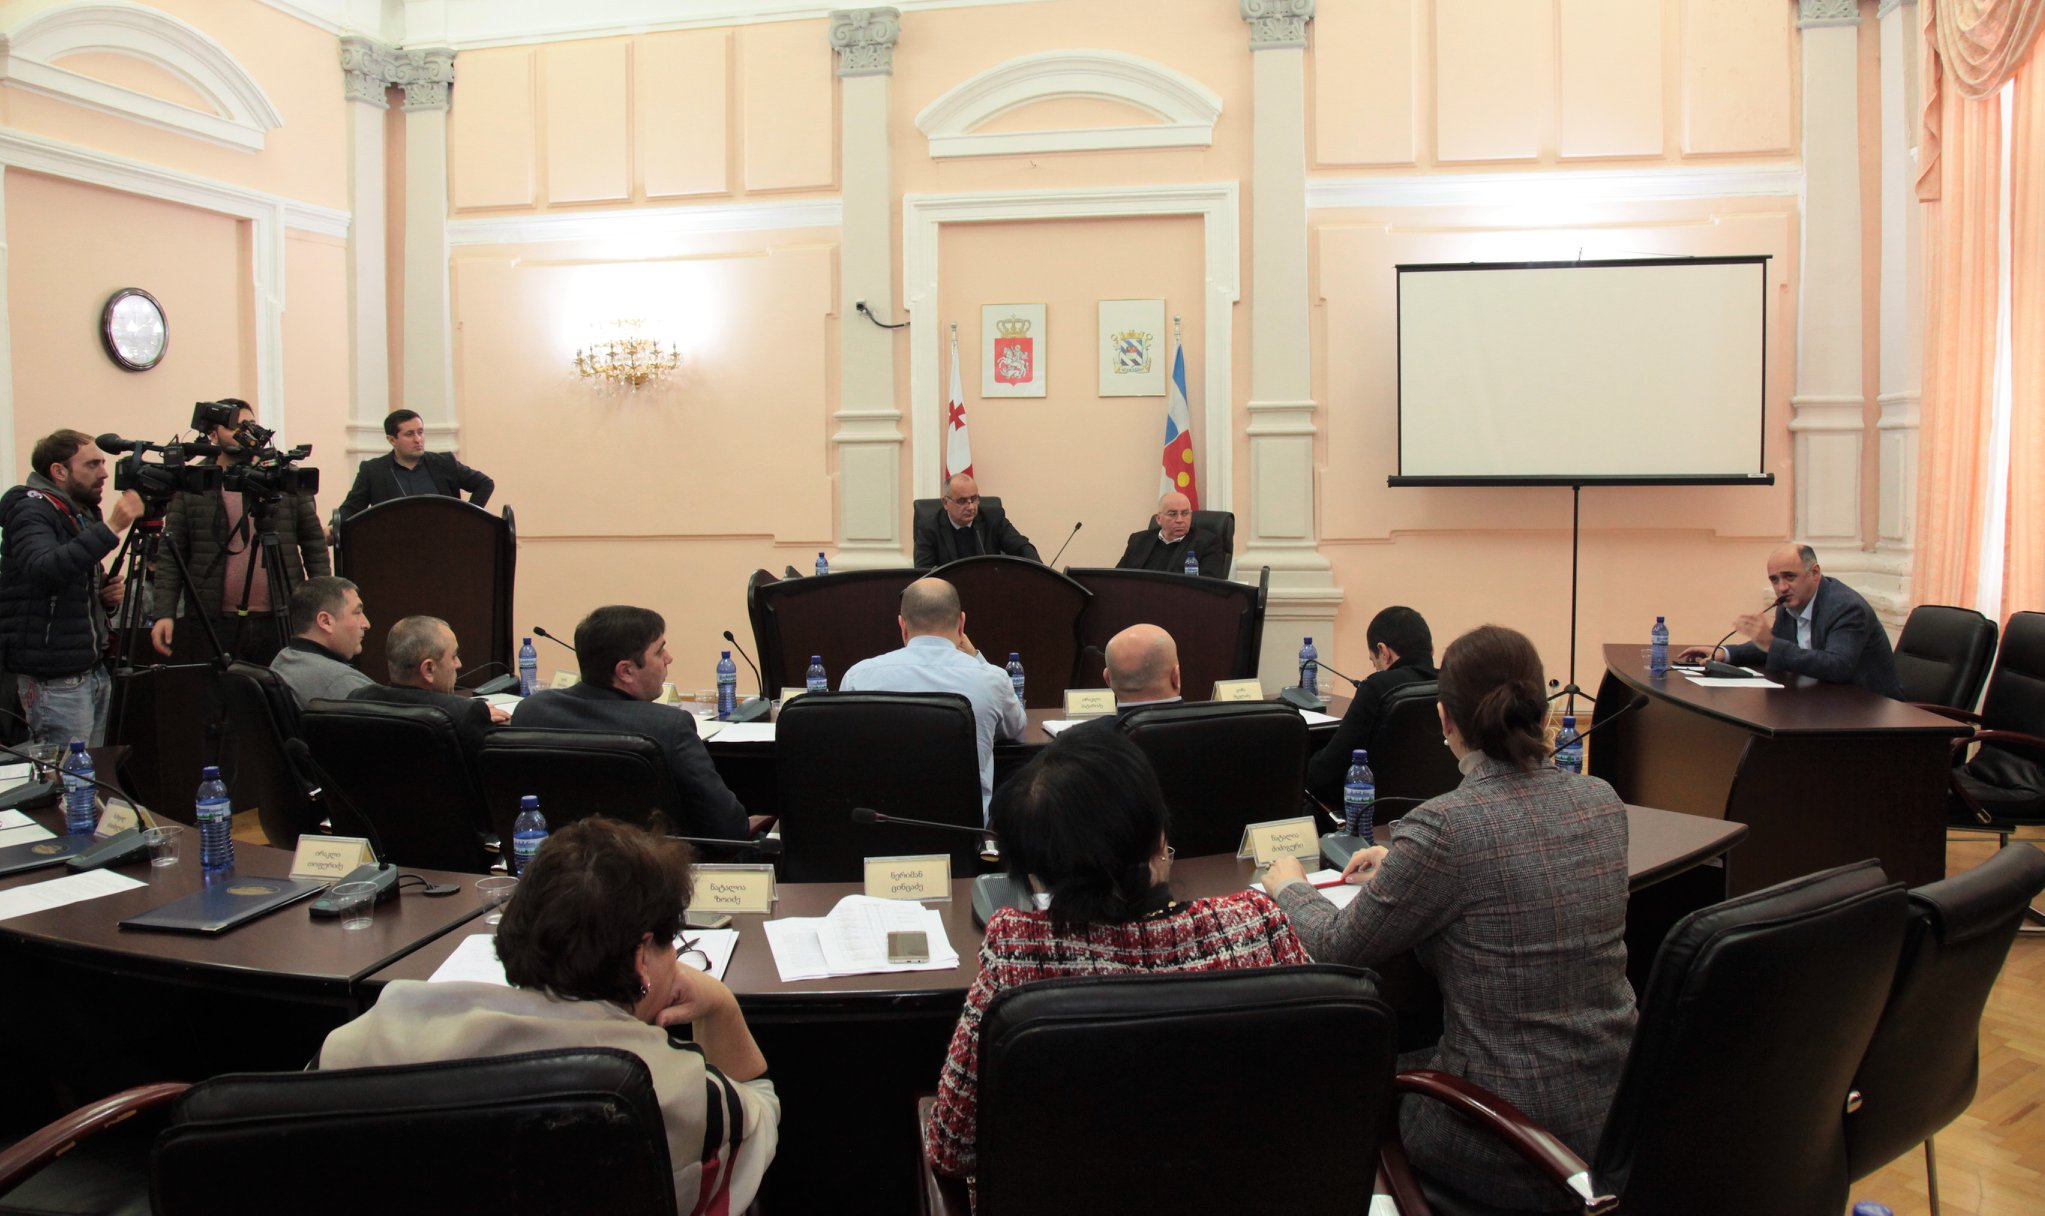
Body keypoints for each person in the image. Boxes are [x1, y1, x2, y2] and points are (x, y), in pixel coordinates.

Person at [1263, 625, 1634, 1212]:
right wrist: (1405, 868)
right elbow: (1514, 873)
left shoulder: (1446, 828)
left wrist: (1288, 886)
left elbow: (1335, 947)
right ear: (1541, 709)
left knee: (1334, 1081)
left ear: (1444, 719)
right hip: (1616, 1119)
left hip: (1502, 1134)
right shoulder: (1602, 802)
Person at [318, 817, 778, 1216]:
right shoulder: (671, 1084)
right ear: (642, 958)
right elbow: (760, 1119)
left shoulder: (368, 1039)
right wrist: (721, 1007)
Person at [922, 729, 1309, 1190]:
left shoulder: (1017, 950)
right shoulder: (1257, 923)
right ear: (1159, 837)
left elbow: (951, 1148)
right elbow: (1319, 1096)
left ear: (1032, 872)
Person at [512, 605, 748, 841]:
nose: (669, 658)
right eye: (659, 652)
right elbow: (728, 830)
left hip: (556, 859)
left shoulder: (530, 712)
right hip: (650, 863)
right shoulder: (669, 727)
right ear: (625, 671)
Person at [149, 398, 329, 667]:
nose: (245, 432)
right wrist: (164, 612)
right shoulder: (193, 484)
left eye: (250, 425)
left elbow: (314, 544)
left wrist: (323, 604)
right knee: (219, 690)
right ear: (212, 434)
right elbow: (171, 554)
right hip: (214, 619)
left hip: (281, 617)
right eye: (234, 426)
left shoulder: (282, 477)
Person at [0, 431, 143, 746]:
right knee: (66, 772)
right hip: (55, 681)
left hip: (89, 670)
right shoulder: (30, 509)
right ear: (59, 471)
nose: (104, 473)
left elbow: (66, 582)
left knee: (89, 770)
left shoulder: (77, 512)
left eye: (103, 463)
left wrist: (103, 598)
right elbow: (44, 568)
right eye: (92, 464)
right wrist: (111, 528)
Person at [839, 578, 1026, 815]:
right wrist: (977, 658)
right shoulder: (992, 679)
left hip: (881, 824)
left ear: (902, 625)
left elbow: (845, 750)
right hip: (965, 828)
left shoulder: (858, 677)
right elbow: (1016, 729)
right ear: (962, 624)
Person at [1677, 543, 1903, 699]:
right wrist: (1725, 653)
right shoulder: (1789, 603)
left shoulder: (1846, 608)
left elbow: (1837, 667)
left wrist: (1770, 643)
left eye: (1789, 576)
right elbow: (1777, 647)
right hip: (1822, 701)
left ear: (1815, 573)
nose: (1782, 587)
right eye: (1774, 580)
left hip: (1869, 710)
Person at [349, 615, 508, 786]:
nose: (459, 664)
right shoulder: (465, 715)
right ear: (429, 669)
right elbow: (495, 779)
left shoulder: (357, 700)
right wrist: (472, 712)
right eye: (454, 656)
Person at [1304, 606, 1438, 805]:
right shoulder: (1451, 682)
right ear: (1431, 649)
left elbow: (1331, 766)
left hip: (1369, 811)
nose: (1376, 668)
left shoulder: (1377, 687)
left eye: (1373, 662)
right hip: (1434, 804)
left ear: (1383, 651)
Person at [333, 408, 495, 527]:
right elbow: (352, 507)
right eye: (409, 434)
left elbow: (484, 483)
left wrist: (467, 518)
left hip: (443, 543)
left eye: (420, 432)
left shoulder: (443, 463)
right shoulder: (373, 470)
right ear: (392, 440)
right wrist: (333, 528)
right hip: (394, 546)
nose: (418, 439)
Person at [270, 576, 375, 709]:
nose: (366, 624)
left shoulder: (281, 659)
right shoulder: (340, 682)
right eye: (357, 612)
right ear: (326, 621)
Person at [913, 474, 1039, 569]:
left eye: (974, 499)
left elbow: (1021, 547)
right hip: (949, 591)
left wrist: (1040, 572)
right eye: (962, 501)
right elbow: (923, 571)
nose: (971, 507)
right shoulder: (929, 528)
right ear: (945, 502)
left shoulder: (993, 518)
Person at [1115, 491, 1228, 578]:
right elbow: (1117, 578)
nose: (1180, 520)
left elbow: (1210, 586)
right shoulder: (1138, 540)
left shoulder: (1207, 543)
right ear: (1158, 518)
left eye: (1185, 513)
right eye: (1172, 514)